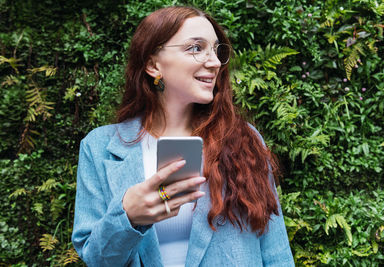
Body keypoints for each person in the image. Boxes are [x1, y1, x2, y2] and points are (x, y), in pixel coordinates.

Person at [72, 6, 295, 267]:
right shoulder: (99, 148)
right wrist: (127, 217)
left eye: (215, 49)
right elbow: (97, 260)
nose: (214, 62)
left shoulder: (243, 140)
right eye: (196, 48)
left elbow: (276, 251)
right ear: (153, 65)